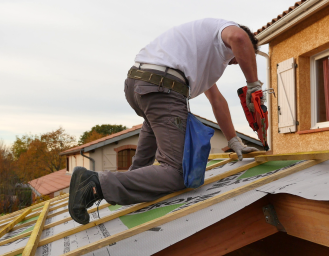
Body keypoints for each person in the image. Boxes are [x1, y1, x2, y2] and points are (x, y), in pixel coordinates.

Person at [68, 18, 262, 224]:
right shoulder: (228, 31)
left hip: (141, 84)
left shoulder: (199, 53)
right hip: (162, 87)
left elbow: (217, 100)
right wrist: (253, 85)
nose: (236, 62)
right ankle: (95, 183)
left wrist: (233, 141)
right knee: (177, 173)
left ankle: (118, 189)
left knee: (144, 159)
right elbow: (240, 38)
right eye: (240, 57)